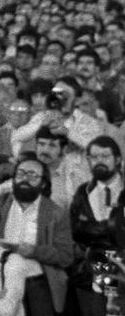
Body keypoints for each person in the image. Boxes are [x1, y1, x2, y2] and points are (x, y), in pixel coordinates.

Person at [0, 157, 73, 316]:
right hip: (2, 280)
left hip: (38, 284)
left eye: (33, 176)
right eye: (20, 174)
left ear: (43, 183)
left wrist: (34, 251)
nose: (25, 179)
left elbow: (66, 256)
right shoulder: (0, 206)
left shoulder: (55, 213)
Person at [69, 135, 125, 316]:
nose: (99, 161)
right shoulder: (82, 193)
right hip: (92, 271)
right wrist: (108, 230)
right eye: (94, 157)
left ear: (117, 159)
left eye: (105, 156)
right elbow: (75, 233)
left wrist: (94, 234)